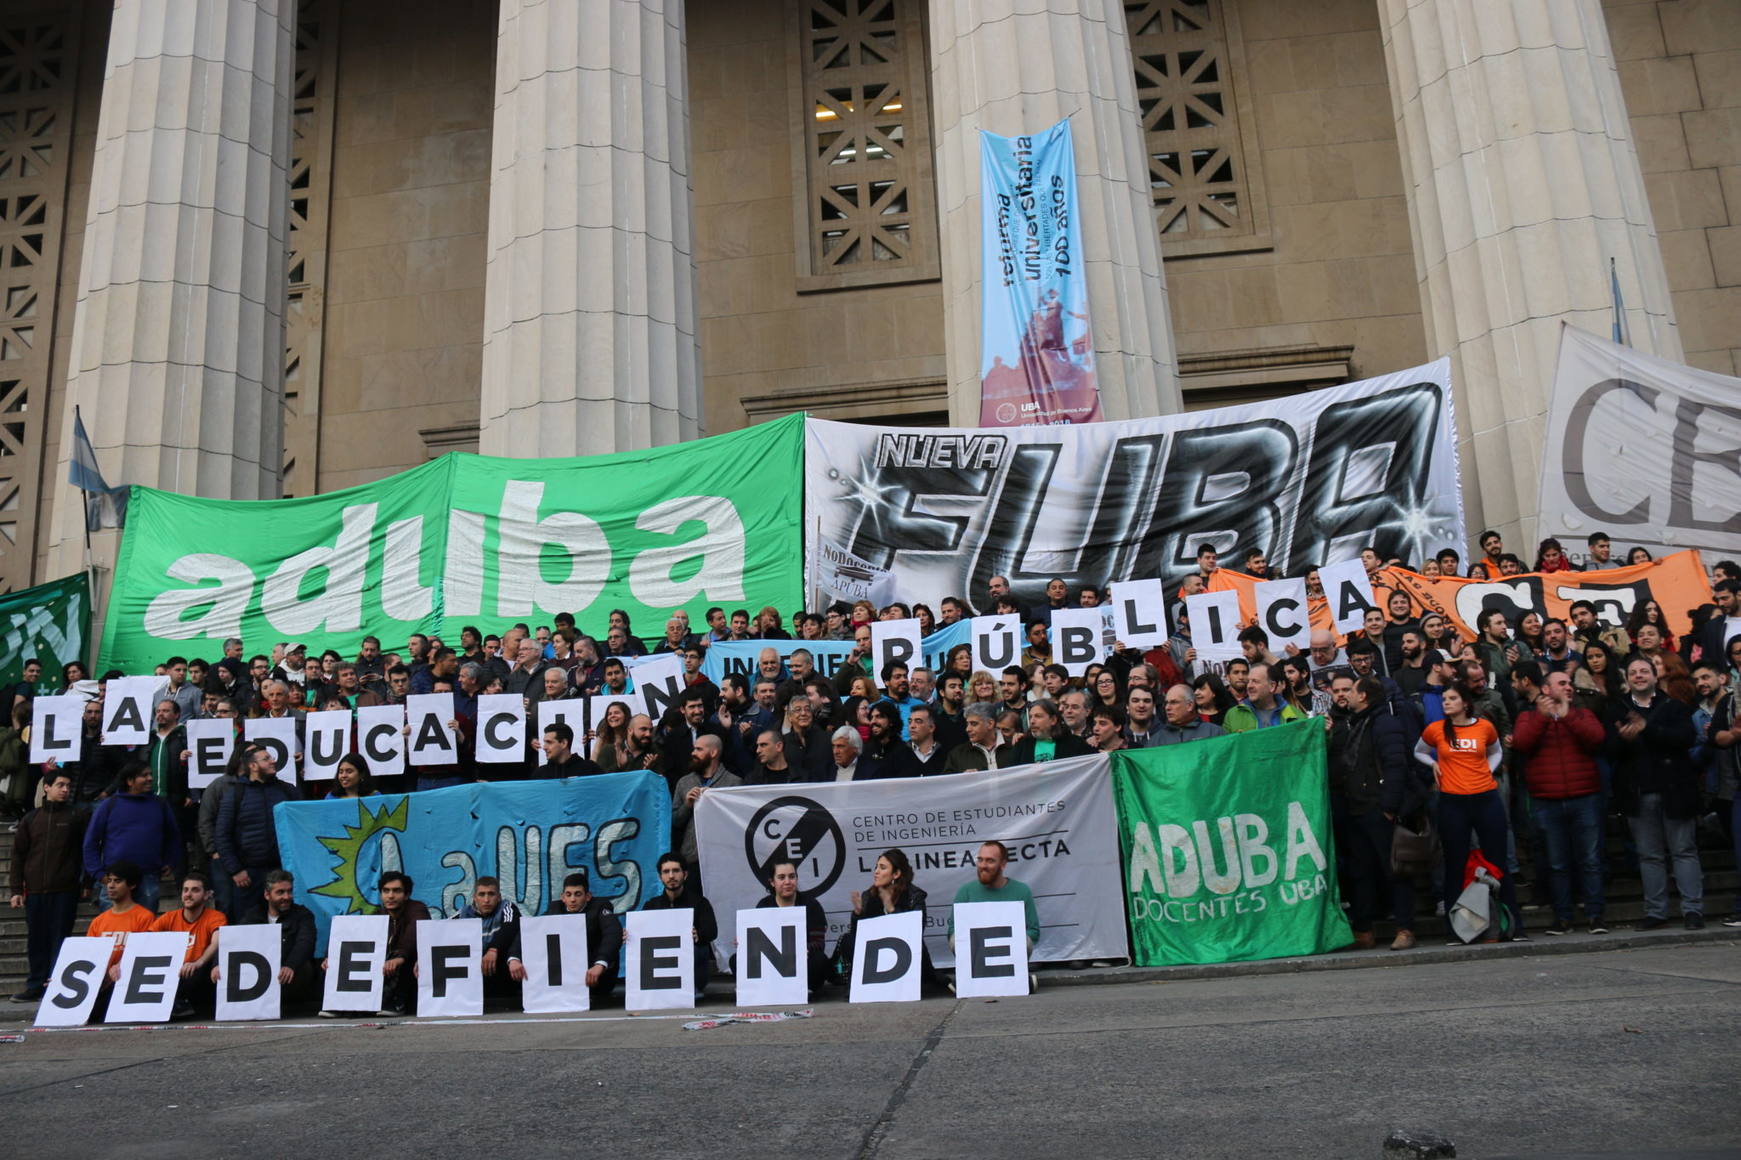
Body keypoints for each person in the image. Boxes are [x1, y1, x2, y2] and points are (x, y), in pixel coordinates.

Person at [1415, 684, 1520, 941]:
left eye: (1452, 698)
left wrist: (1488, 769)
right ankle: (1456, 931)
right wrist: (1433, 765)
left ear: (1465, 703)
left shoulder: (1484, 726)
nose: (1446, 703)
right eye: (1444, 699)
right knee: (1455, 865)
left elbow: (1496, 750)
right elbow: (1418, 751)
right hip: (1453, 802)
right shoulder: (1436, 729)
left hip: (1485, 798)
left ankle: (1511, 927)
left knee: (1497, 862)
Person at [1328, 675, 1424, 950]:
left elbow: (1396, 765)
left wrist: (1389, 808)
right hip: (1356, 808)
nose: (1348, 696)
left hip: (1378, 809)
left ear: (1365, 696)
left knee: (1394, 871)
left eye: (1352, 691)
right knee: (1360, 872)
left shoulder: (1384, 723)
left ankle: (1405, 928)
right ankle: (1363, 930)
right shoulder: (1353, 723)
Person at [1609, 655, 1703, 929]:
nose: (1638, 675)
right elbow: (1608, 750)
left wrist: (1648, 729)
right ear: (1627, 680)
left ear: (1654, 676)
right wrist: (1623, 739)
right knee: (1649, 855)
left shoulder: (1674, 706)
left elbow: (1685, 739)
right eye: (1633, 672)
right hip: (1639, 792)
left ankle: (1693, 910)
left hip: (1675, 789)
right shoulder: (1618, 709)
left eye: (1644, 671)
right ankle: (1656, 912)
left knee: (1684, 850)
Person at [1513, 670, 1607, 935]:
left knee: (1589, 860)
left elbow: (1596, 739)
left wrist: (1569, 716)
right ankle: (1563, 917)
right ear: (1545, 689)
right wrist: (1543, 719)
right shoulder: (1528, 716)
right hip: (1548, 800)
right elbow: (1522, 743)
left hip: (1584, 797)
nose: (1569, 687)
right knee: (1557, 863)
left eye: (1570, 683)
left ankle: (1595, 915)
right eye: (1562, 683)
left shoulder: (1582, 714)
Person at [8, 770, 89, 1002]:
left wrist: (87, 883)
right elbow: (18, 856)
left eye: (68, 786)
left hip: (65, 889)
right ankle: (35, 985)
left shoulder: (77, 816)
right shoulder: (31, 819)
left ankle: (56, 984)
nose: (65, 790)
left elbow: (87, 851)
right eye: (60, 785)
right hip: (34, 891)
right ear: (46, 787)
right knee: (37, 940)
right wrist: (16, 890)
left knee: (60, 939)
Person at [506, 870, 621, 1008]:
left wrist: (600, 964)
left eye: (578, 894)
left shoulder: (600, 907)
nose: (573, 899)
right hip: (563, 978)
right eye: (569, 894)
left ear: (588, 896)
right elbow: (530, 931)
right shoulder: (554, 909)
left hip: (595, 976)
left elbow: (613, 933)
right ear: (563, 897)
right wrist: (514, 958)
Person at [214, 743, 303, 921]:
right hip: (249, 875)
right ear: (253, 766)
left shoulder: (287, 790)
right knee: (247, 925)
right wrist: (236, 870)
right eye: (266, 759)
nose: (273, 761)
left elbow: (303, 824)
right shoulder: (235, 794)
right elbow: (222, 835)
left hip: (282, 871)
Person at [83, 762, 181, 913]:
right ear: (129, 781)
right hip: (114, 879)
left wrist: (170, 861)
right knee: (112, 931)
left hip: (149, 876)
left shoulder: (160, 804)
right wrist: (98, 873)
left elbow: (173, 837)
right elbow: (91, 841)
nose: (150, 778)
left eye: (150, 775)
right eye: (144, 775)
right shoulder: (109, 805)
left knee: (145, 931)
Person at [214, 869, 318, 1007]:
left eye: (289, 891)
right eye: (280, 892)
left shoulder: (303, 915)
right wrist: (217, 964)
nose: (287, 897)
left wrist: (290, 965)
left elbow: (305, 943)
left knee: (305, 968)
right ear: (267, 895)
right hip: (257, 974)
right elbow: (233, 939)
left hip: (287, 972)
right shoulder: (253, 914)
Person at [947, 841, 1039, 993]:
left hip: (1008, 949)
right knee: (955, 939)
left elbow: (1033, 931)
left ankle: (1010, 979)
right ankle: (972, 979)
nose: (983, 865)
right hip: (976, 951)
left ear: (1003, 864)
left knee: (1025, 941)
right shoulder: (965, 891)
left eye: (990, 861)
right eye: (980, 860)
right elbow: (952, 930)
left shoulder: (1022, 891)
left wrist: (1005, 942)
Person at [842, 848, 934, 986]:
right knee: (847, 940)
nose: (876, 872)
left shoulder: (914, 896)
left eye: (882, 867)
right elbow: (858, 935)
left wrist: (891, 909)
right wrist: (858, 913)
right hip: (876, 954)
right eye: (876, 867)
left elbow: (916, 931)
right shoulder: (869, 895)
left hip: (904, 955)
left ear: (896, 874)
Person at [640, 853, 717, 1003]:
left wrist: (698, 934)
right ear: (660, 876)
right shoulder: (651, 905)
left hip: (694, 970)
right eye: (666, 872)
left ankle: (691, 988)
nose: (671, 876)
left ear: (685, 874)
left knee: (699, 949)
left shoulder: (700, 903)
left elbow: (712, 931)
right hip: (660, 967)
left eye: (676, 871)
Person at [151, 871, 228, 1019]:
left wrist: (198, 962)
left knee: (198, 971)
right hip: (173, 971)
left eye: (195, 890)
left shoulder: (215, 917)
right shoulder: (169, 917)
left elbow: (217, 942)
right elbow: (146, 940)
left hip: (199, 970)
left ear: (206, 895)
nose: (188, 894)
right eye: (185, 890)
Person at [750, 859, 830, 994]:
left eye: (792, 877)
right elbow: (756, 942)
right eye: (781, 877)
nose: (788, 882)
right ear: (772, 882)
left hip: (802, 962)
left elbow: (819, 943)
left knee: (820, 960)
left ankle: (806, 990)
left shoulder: (811, 905)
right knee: (736, 960)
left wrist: (801, 950)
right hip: (772, 964)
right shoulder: (763, 905)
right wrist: (746, 943)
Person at [671, 735, 741, 873]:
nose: (693, 753)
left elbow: (739, 823)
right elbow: (674, 822)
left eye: (698, 749)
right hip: (692, 858)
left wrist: (717, 801)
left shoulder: (733, 783)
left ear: (713, 753)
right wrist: (687, 805)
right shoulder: (684, 782)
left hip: (724, 858)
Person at [85, 861, 160, 985]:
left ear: (132, 885)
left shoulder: (145, 917)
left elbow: (143, 952)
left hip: (129, 983)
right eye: (109, 881)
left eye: (117, 881)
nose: (111, 885)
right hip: (99, 984)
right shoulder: (98, 921)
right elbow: (87, 957)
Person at [456, 875, 522, 1003]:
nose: (486, 900)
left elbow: (510, 928)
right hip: (474, 970)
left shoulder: (507, 907)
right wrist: (425, 959)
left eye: (491, 894)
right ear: (474, 898)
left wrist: (493, 950)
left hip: (501, 966)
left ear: (499, 897)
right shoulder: (463, 913)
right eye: (482, 894)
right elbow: (440, 932)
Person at [1223, 663, 1305, 732]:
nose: (1249, 686)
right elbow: (1225, 748)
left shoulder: (1294, 715)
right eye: (1248, 682)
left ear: (1272, 686)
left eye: (1255, 681)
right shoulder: (1233, 715)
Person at [1006, 699, 1092, 763]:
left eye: (1038, 716)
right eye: (1030, 716)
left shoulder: (1075, 743)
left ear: (1053, 720)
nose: (1032, 721)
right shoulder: (1022, 744)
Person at [943, 703, 1014, 772]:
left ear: (990, 724)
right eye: (967, 724)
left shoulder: (1013, 747)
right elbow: (947, 782)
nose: (968, 729)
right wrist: (962, 779)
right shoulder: (957, 755)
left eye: (974, 724)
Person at [1154, 684, 1226, 745]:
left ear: (1190, 706)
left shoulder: (1214, 733)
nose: (1167, 708)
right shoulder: (1157, 740)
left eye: (1174, 702)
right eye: (1166, 703)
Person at [539, 721, 603, 777]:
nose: (544, 747)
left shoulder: (590, 769)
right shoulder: (539, 774)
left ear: (564, 743)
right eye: (544, 742)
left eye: (549, 742)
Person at [906, 704, 949, 774]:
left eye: (918, 721)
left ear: (931, 727)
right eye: (910, 722)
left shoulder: (946, 756)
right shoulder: (898, 754)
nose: (912, 726)